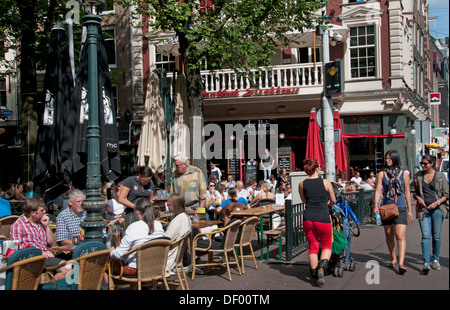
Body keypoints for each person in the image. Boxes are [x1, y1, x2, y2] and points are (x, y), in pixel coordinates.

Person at [10, 198, 70, 281]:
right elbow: (16, 247)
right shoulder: (18, 225)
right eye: (42, 210)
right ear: (33, 213)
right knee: (70, 268)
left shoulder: (40, 223)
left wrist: (46, 226)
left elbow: (52, 243)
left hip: (48, 256)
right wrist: (40, 252)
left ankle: (51, 283)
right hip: (35, 259)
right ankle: (51, 285)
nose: (44, 212)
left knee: (75, 264)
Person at [373, 150, 413, 275]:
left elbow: (407, 192)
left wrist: (410, 209)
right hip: (386, 208)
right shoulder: (381, 174)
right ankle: (393, 257)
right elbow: (378, 190)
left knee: (400, 235)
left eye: (390, 158)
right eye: (386, 158)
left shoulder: (404, 174)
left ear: (395, 159)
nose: (387, 160)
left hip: (401, 207)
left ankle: (401, 263)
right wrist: (376, 205)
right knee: (389, 234)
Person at [298, 158, 336, 286]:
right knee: (326, 245)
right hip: (323, 217)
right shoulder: (326, 182)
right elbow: (333, 200)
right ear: (317, 168)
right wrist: (328, 204)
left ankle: (314, 275)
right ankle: (321, 268)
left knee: (313, 246)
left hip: (308, 217)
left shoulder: (302, 184)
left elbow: (304, 200)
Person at [109, 198, 166, 281]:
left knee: (106, 265)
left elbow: (120, 254)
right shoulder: (158, 225)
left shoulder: (134, 227)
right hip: (155, 267)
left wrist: (111, 252)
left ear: (137, 211)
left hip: (137, 268)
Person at [413, 154, 449, 273]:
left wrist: (436, 203)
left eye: (425, 164)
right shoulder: (418, 176)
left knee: (436, 236)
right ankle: (425, 262)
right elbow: (415, 192)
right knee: (426, 235)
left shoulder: (440, 176)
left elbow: (446, 194)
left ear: (431, 164)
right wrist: (419, 198)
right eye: (421, 163)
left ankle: (436, 259)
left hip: (438, 209)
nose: (422, 165)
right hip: (424, 210)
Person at [164, 193, 191, 275]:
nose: (167, 206)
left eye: (168, 204)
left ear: (175, 205)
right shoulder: (186, 217)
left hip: (168, 255)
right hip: (177, 254)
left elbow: (166, 239)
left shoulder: (179, 219)